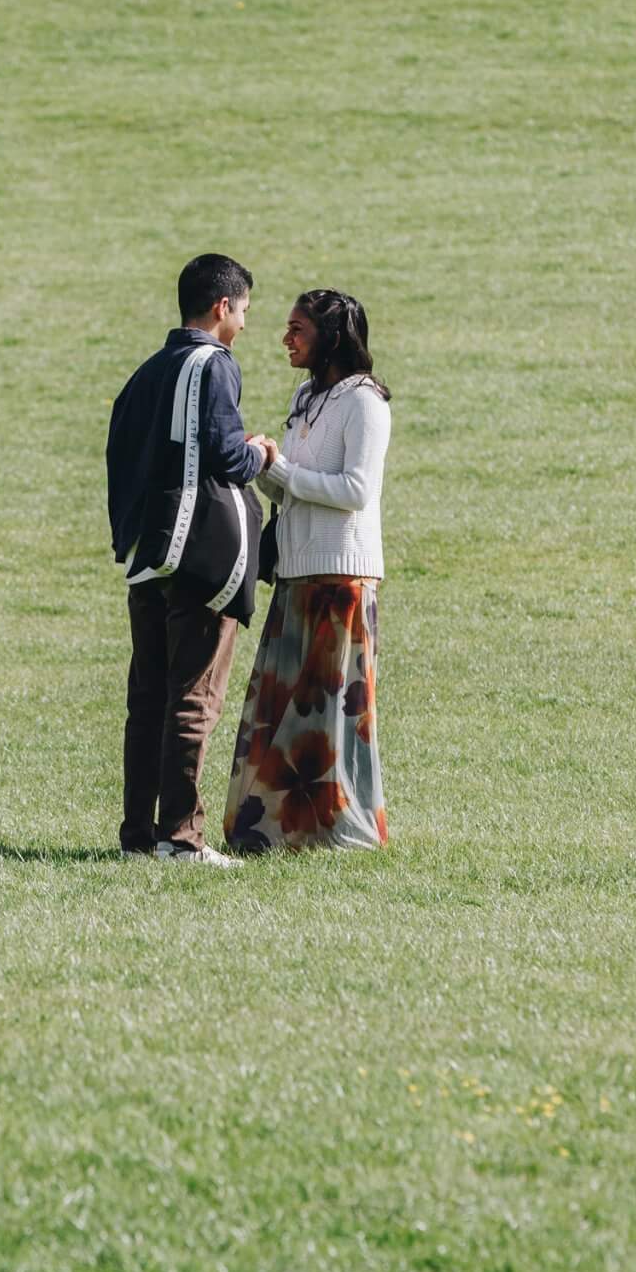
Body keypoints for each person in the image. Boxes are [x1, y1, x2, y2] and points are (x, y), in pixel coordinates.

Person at [105, 254, 280, 867]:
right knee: (194, 698)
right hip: (200, 555)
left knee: (147, 700)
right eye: (244, 312)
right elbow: (226, 457)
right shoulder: (215, 364)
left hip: (147, 555)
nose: (244, 325)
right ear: (221, 308)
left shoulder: (146, 372)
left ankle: (138, 836)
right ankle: (181, 838)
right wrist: (258, 452)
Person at [224, 289, 392, 854]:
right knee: (286, 707)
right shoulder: (305, 396)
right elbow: (295, 488)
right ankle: (279, 830)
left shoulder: (365, 401)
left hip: (342, 577)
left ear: (331, 336)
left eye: (298, 328)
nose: (285, 337)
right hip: (297, 572)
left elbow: (356, 490)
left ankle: (339, 830)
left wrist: (283, 468)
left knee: (330, 710)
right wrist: (264, 465)